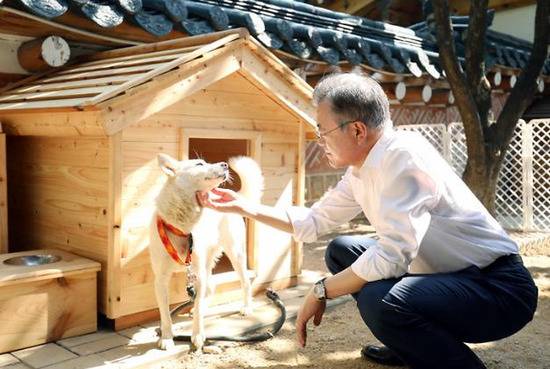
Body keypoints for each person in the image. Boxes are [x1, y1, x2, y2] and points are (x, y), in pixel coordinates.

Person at [196, 73, 538, 369]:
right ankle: (411, 345)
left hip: (497, 290)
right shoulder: (361, 169)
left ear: (357, 130)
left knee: (382, 299)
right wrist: (244, 207)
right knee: (344, 250)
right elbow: (313, 221)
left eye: (322, 131)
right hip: (447, 276)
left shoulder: (402, 158)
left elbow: (392, 255)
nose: (320, 141)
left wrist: (321, 289)